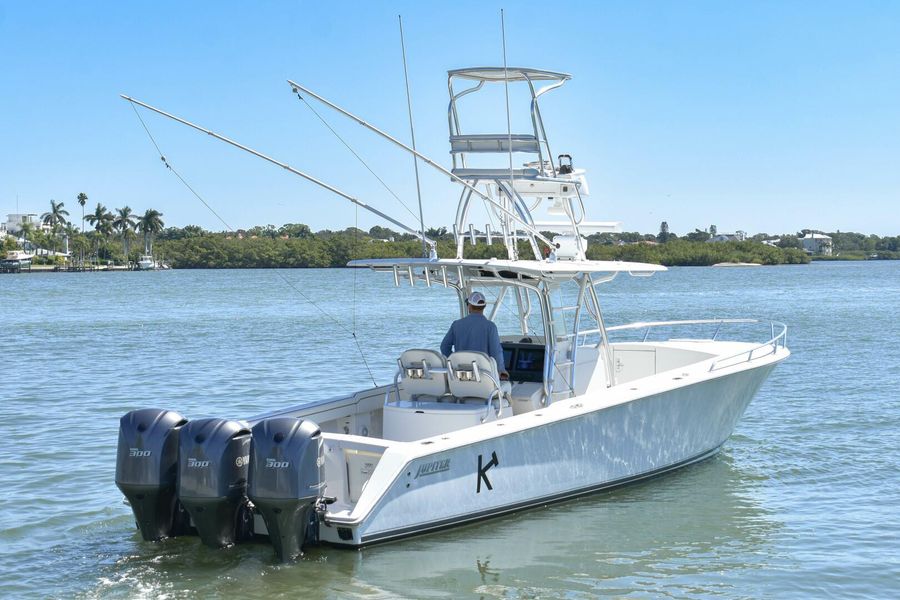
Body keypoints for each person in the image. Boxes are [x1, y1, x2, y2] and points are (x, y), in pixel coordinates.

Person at [441, 291, 509, 381]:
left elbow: (444, 347)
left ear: (469, 306)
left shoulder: (456, 325)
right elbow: (496, 352)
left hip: (461, 376)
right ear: (484, 307)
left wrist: (454, 361)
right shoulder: (490, 327)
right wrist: (501, 370)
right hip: (484, 378)